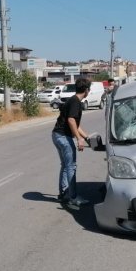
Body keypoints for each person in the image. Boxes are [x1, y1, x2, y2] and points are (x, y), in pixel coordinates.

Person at [52, 78, 92, 208]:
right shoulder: (76, 102)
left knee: (65, 165)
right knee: (71, 166)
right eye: (89, 89)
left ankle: (64, 194)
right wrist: (79, 139)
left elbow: (76, 124)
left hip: (57, 135)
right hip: (63, 136)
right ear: (86, 90)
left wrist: (86, 137)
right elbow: (71, 120)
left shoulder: (72, 100)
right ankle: (73, 197)